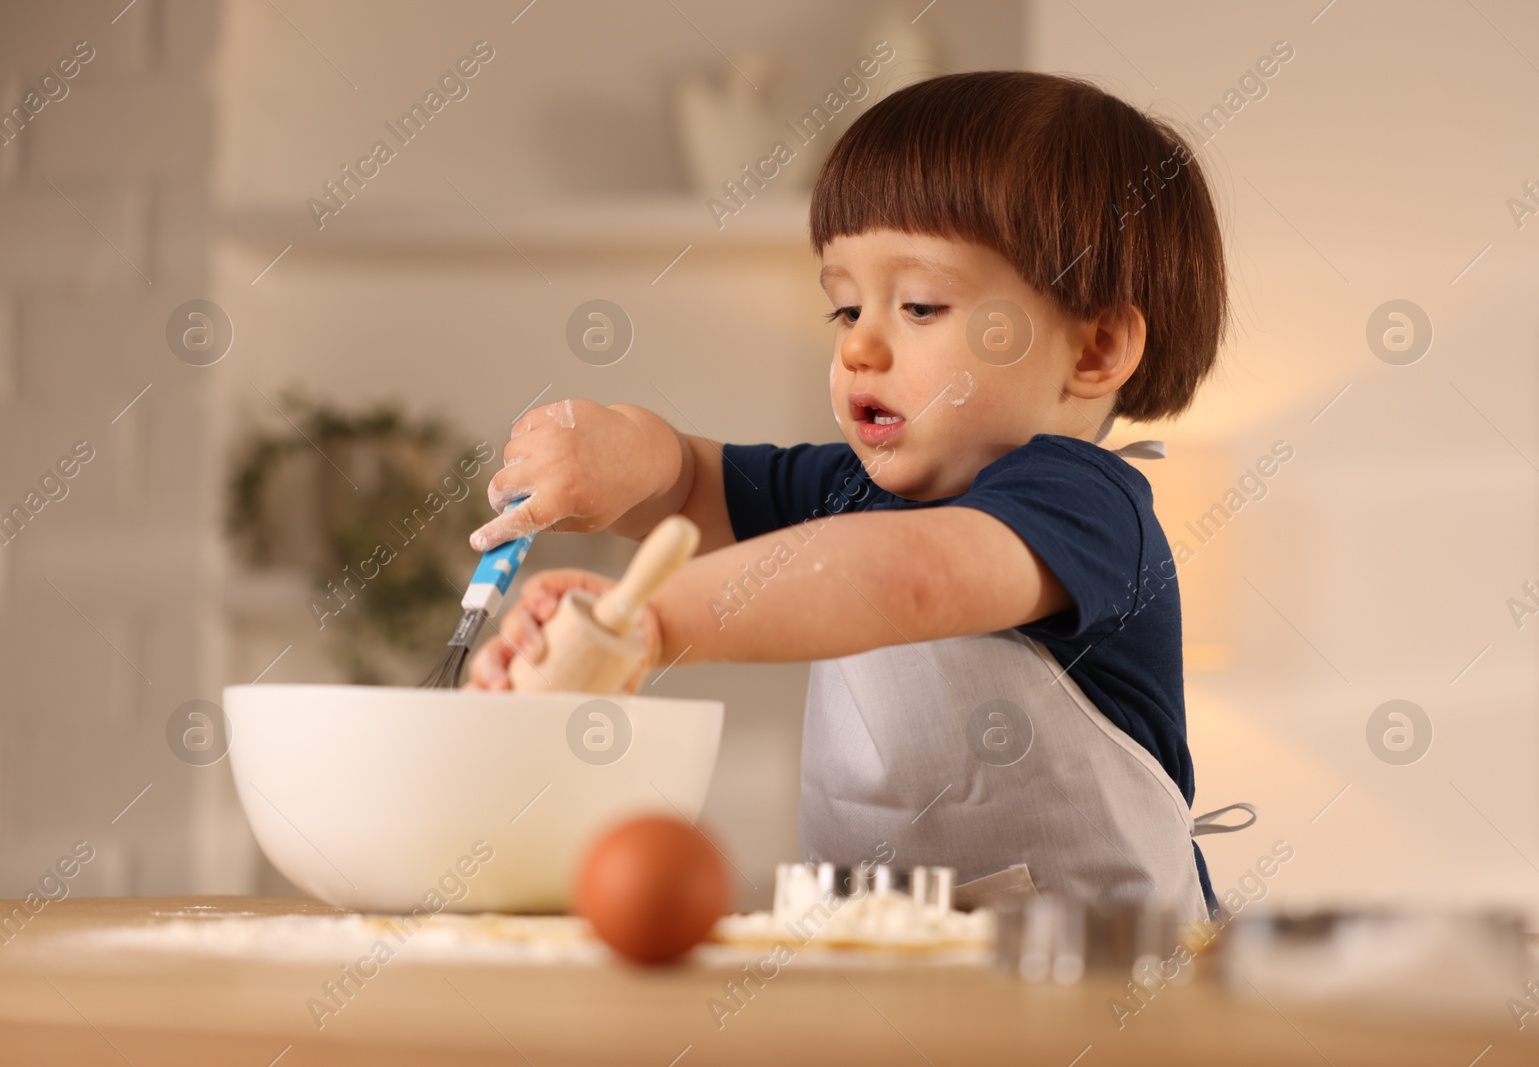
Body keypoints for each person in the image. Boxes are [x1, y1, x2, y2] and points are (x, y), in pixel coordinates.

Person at [468, 70, 1234, 920]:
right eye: (844, 308)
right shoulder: (844, 488)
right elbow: (693, 483)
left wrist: (650, 619)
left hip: (1106, 998)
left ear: (1094, 350)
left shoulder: (1087, 505)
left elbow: (914, 579)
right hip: (880, 965)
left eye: (921, 304)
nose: (860, 346)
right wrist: (623, 452)